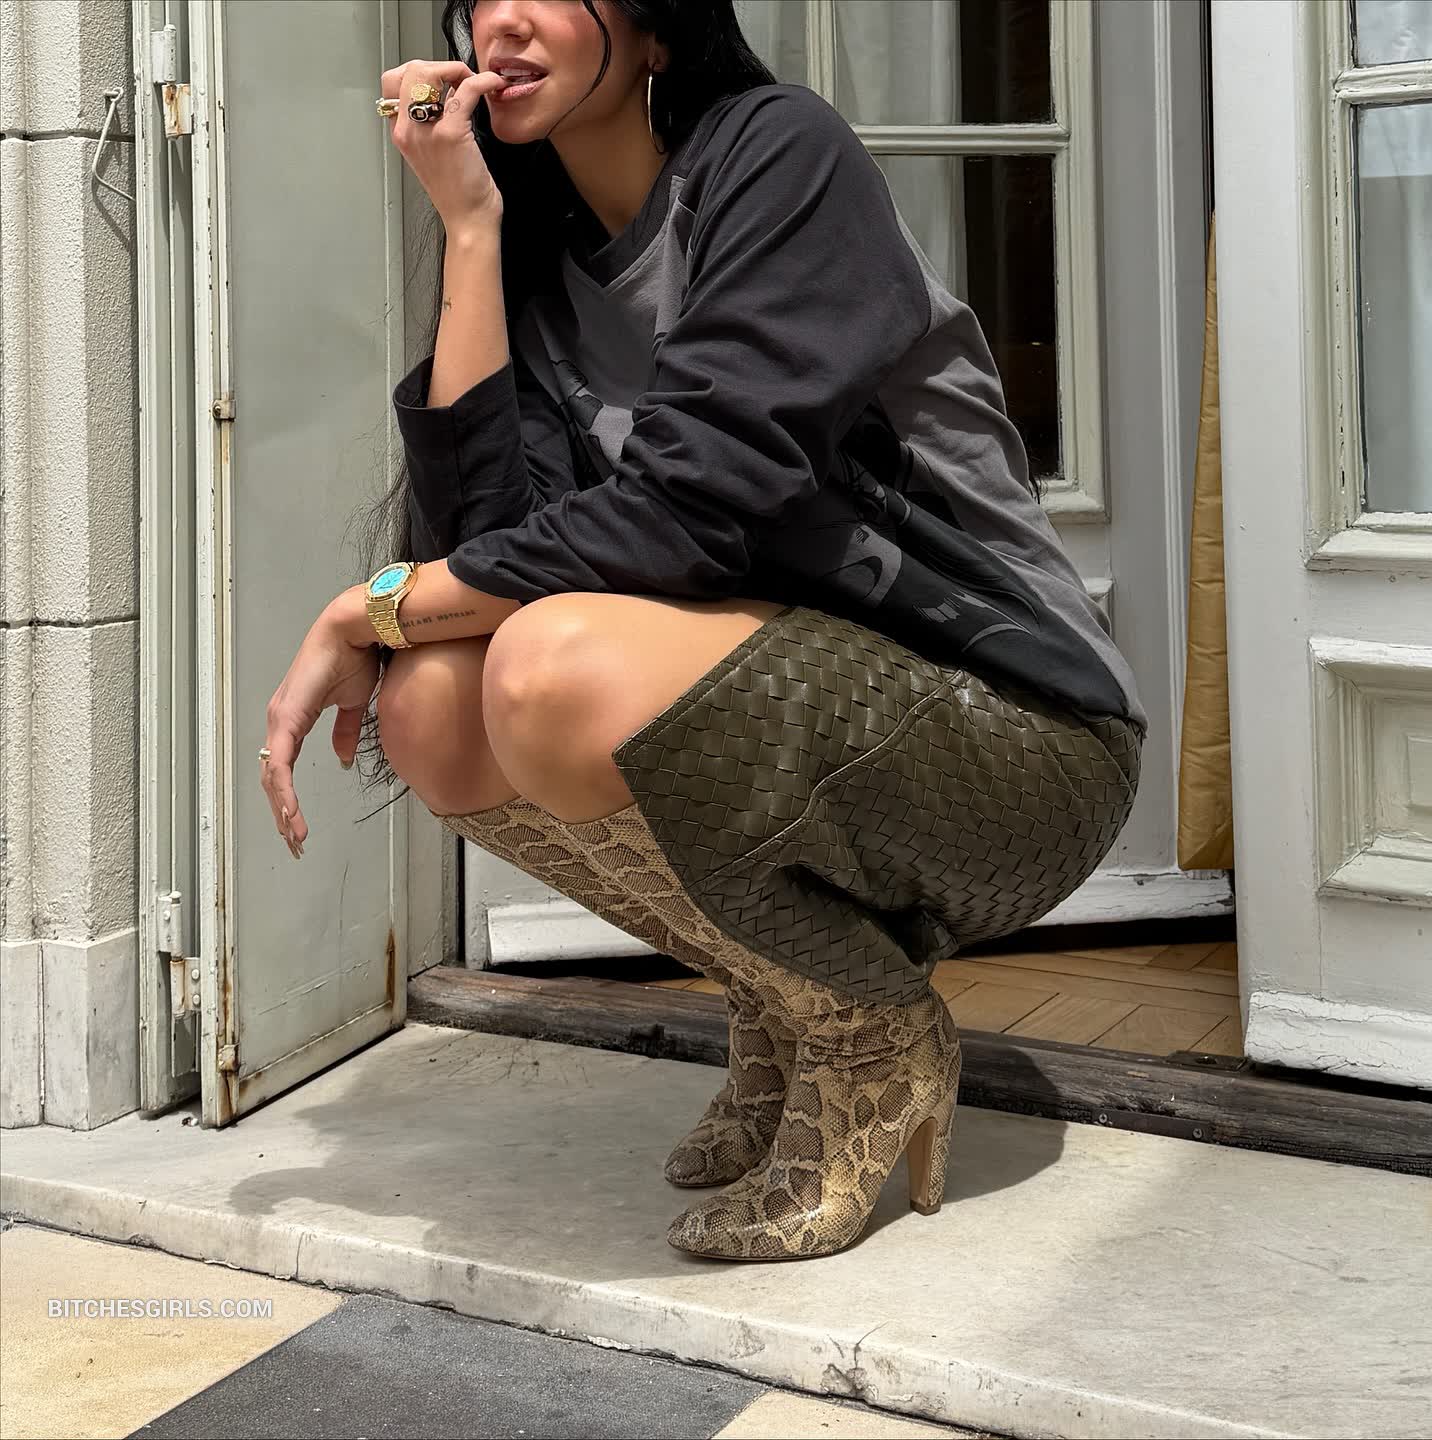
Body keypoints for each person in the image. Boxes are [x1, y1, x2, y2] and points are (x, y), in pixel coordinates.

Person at [259, 0, 1147, 1262]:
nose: (503, 18)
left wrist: (369, 603)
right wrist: (469, 226)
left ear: (657, 29)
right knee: (436, 704)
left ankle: (867, 1035)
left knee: (546, 665)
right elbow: (490, 545)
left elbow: (685, 515)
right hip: (807, 722)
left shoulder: (777, 154)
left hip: (1018, 737)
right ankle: (785, 997)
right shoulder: (546, 256)